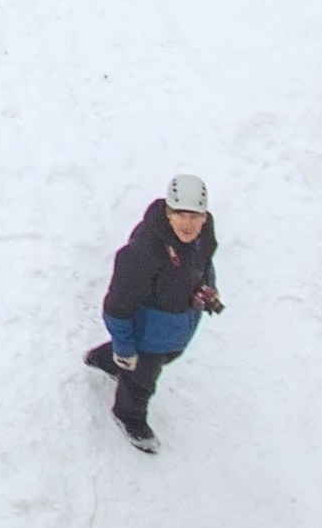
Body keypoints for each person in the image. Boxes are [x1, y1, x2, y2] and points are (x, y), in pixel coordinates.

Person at [83, 175, 220, 452]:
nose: (188, 224)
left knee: (162, 359)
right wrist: (124, 347)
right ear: (168, 212)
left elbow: (204, 265)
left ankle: (103, 359)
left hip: (177, 329)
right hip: (147, 337)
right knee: (141, 383)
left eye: (195, 216)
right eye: (180, 214)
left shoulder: (202, 236)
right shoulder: (144, 252)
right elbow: (117, 307)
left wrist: (208, 289)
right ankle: (129, 416)